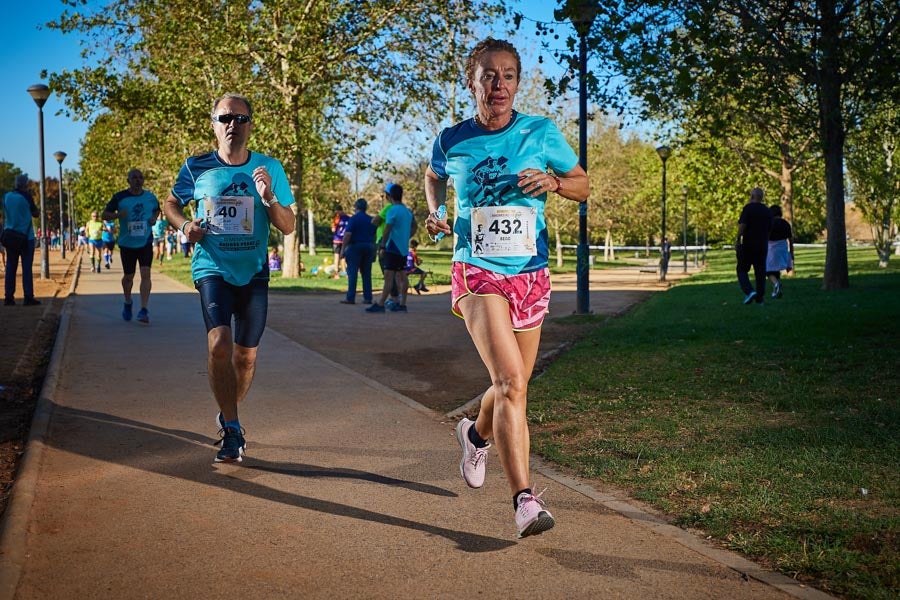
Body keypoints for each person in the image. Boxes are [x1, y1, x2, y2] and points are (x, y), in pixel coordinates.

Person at [424, 37, 589, 538]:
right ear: (472, 82)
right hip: (476, 268)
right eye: (489, 76)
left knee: (514, 382)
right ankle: (524, 500)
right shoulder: (452, 139)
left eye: (509, 75)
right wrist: (436, 212)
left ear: (518, 82)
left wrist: (556, 184)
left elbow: (582, 183)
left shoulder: (540, 132)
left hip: (530, 270)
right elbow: (432, 175)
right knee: (512, 383)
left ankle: (475, 434)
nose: (499, 85)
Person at [163, 93, 296, 463]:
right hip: (213, 268)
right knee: (219, 344)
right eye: (225, 118)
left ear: (251, 124)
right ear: (214, 124)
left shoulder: (270, 167)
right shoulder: (196, 167)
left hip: (253, 273)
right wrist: (185, 224)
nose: (232, 124)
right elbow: (170, 203)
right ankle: (233, 430)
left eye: (239, 118)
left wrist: (268, 196)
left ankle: (228, 412)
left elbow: (288, 227)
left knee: (246, 359)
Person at [103, 168, 160, 324]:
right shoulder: (120, 197)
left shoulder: (150, 197)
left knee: (145, 273)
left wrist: (154, 219)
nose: (137, 180)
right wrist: (117, 215)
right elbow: (104, 214)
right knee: (129, 277)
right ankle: (128, 302)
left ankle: (144, 309)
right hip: (127, 243)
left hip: (145, 241)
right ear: (128, 180)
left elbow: (157, 210)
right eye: (134, 177)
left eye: (140, 177)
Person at [366, 183, 415, 313]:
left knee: (389, 276)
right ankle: (403, 303)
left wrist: (383, 245)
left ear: (389, 196)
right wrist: (406, 236)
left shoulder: (392, 210)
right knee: (403, 275)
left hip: (393, 247)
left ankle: (381, 303)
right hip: (403, 248)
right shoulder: (407, 211)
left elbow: (387, 229)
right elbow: (414, 226)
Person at [3, 174, 41, 306]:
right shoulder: (26, 197)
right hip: (26, 237)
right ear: (25, 185)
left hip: (10, 235)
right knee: (26, 268)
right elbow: (35, 213)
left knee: (10, 266)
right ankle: (28, 297)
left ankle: (8, 297)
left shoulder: (6, 197)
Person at [735, 187, 772, 304]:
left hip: (748, 244)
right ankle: (760, 298)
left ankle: (749, 291)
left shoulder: (748, 208)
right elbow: (770, 228)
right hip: (762, 245)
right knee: (760, 272)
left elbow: (742, 225)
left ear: (751, 196)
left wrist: (737, 238)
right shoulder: (767, 211)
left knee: (741, 269)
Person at [339, 197, 376, 304]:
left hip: (355, 247)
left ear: (356, 207)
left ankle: (350, 297)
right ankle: (368, 297)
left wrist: (343, 249)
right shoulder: (371, 219)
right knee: (366, 273)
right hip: (368, 246)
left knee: (352, 272)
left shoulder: (353, 219)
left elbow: (347, 235)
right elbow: (374, 236)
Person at [372, 197, 400, 309]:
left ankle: (392, 298)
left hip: (385, 241)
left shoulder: (389, 207)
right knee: (399, 272)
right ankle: (397, 298)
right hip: (397, 242)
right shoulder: (402, 209)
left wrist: (382, 244)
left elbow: (375, 221)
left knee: (388, 271)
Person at [766, 205, 794, 298]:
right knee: (776, 269)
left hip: (771, 248)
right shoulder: (785, 223)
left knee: (767, 270)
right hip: (782, 248)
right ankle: (776, 291)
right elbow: (790, 239)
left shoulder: (769, 223)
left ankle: (776, 283)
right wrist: (791, 253)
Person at [331, 204, 349, 278]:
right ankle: (344, 272)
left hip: (337, 239)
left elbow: (333, 229)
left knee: (337, 256)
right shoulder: (348, 218)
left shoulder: (337, 218)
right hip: (344, 240)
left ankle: (337, 272)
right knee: (342, 256)